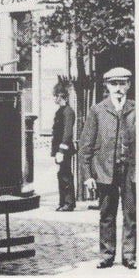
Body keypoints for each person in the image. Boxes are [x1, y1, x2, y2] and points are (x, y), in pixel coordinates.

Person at [79, 67, 136, 269]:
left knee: (131, 213)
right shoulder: (97, 110)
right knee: (107, 214)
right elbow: (85, 146)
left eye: (122, 83)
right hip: (106, 170)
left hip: (131, 170)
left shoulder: (137, 109)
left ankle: (129, 255)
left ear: (128, 85)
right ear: (107, 86)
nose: (118, 88)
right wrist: (87, 175)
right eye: (114, 84)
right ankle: (107, 254)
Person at [51, 81, 76, 212]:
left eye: (55, 95)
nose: (54, 98)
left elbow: (67, 133)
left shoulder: (68, 112)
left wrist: (61, 150)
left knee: (66, 175)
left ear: (61, 96)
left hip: (64, 150)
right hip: (59, 150)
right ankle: (63, 202)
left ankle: (69, 202)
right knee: (61, 174)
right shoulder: (61, 111)